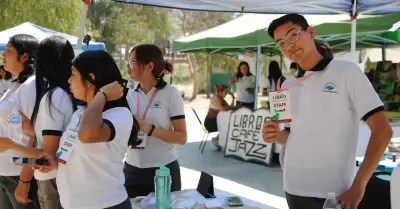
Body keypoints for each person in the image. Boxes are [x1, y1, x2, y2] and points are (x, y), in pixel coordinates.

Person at [263, 13, 392, 209]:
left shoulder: (346, 72)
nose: (289, 45)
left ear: (311, 32)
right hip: (293, 188)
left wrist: (359, 185)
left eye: (293, 35)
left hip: (335, 194)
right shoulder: (286, 84)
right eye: (281, 43)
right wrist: (275, 135)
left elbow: (383, 131)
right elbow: (292, 136)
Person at [1, 50, 138, 209]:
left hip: (104, 205)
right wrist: (52, 162)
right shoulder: (79, 114)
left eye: (73, 74)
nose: (69, 80)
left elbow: (86, 135)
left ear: (90, 79)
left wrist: (102, 94)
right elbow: (67, 155)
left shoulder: (119, 114)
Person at [124, 44, 187, 198]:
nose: (128, 67)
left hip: (163, 171)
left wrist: (150, 130)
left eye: (133, 62)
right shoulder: (129, 95)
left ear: (149, 66)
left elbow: (182, 137)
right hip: (132, 170)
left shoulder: (171, 93)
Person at [0, 34, 40, 209]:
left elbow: (35, 134)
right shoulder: (15, 86)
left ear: (24, 57)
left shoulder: (31, 86)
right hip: (5, 172)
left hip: (17, 174)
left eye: (8, 51)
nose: (3, 55)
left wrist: (25, 181)